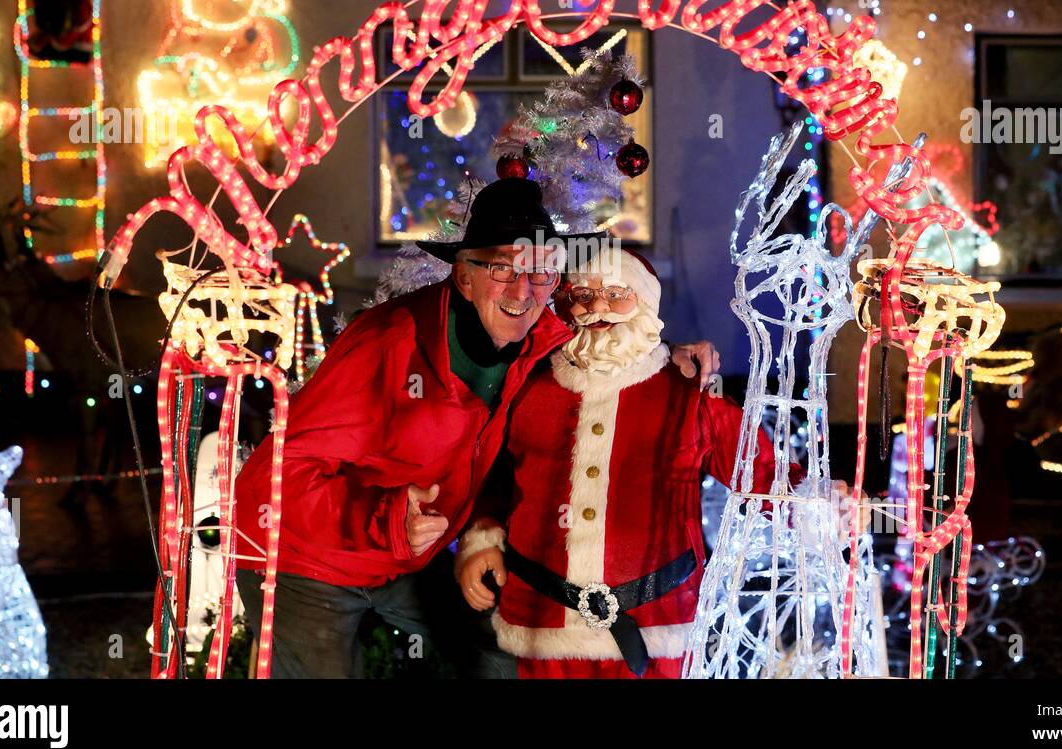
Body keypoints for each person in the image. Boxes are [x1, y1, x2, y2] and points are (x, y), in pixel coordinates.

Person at [231, 177, 720, 677]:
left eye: (540, 272)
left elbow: (609, 341)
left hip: (407, 557)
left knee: (501, 654)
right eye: (503, 269)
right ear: (464, 278)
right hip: (303, 558)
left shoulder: (542, 340)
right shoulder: (384, 345)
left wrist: (665, 356)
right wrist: (385, 519)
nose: (523, 291)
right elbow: (278, 479)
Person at [455, 248, 784, 679]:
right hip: (543, 621)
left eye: (616, 293)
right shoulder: (528, 384)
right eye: (584, 295)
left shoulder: (692, 390)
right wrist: (481, 540)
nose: (598, 307)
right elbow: (494, 476)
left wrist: (824, 505)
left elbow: (761, 473)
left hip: (657, 623)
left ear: (645, 304)